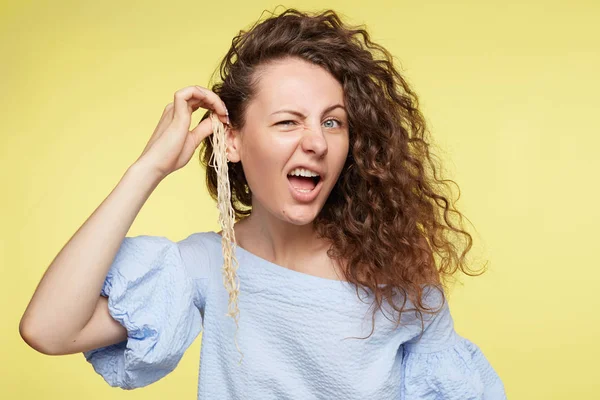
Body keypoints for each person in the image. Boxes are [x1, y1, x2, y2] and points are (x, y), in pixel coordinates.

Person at [19, 8, 507, 400]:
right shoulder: (206, 266)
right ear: (231, 141)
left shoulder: (397, 275)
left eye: (333, 122)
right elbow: (49, 330)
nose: (316, 142)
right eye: (288, 122)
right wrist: (147, 170)